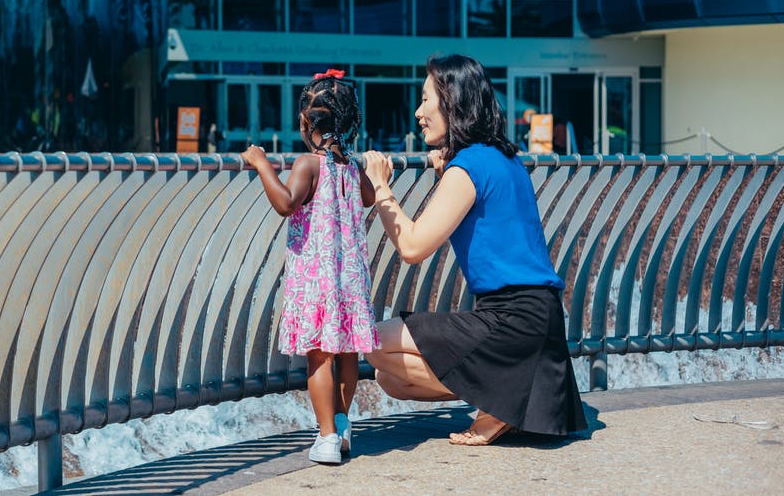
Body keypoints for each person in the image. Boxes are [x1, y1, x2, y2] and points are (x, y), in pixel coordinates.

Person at [360, 54, 586, 446]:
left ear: (452, 101)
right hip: (539, 319)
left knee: (374, 342)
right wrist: (447, 166)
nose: (418, 112)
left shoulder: (467, 167)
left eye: (426, 99)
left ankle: (499, 404)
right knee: (390, 380)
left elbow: (412, 247)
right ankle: (505, 400)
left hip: (512, 318)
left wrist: (380, 186)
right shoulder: (504, 158)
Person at [241, 68, 379, 465]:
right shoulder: (350, 167)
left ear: (305, 121)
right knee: (348, 354)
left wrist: (261, 163)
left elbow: (287, 204)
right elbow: (368, 197)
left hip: (317, 278)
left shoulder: (308, 164)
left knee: (319, 356)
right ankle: (342, 422)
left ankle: (326, 437)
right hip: (350, 277)